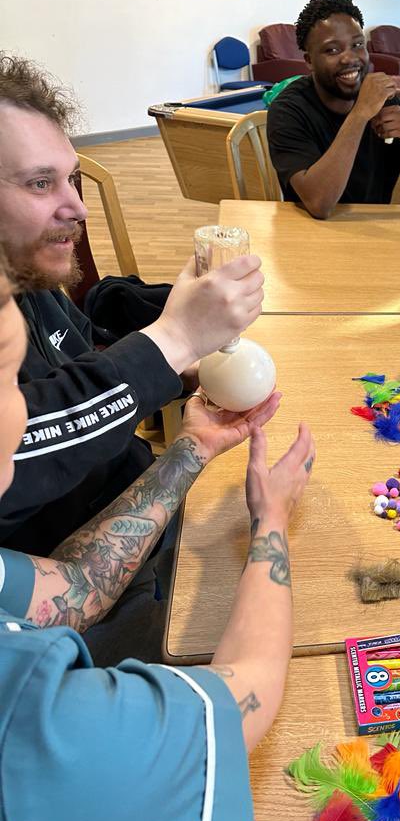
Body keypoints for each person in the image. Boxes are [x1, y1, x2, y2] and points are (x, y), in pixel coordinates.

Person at [0, 260, 316, 821]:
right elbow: (248, 684)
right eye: (14, 381)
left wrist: (191, 450)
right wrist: (272, 521)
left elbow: (80, 585)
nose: (36, 407)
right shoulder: (49, 737)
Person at [0, 54, 266, 661]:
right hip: (74, 616)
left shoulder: (27, 281)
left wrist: (182, 371)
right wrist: (171, 340)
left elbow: (79, 360)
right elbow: (24, 442)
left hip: (148, 508)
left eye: (71, 178)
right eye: (41, 183)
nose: (78, 207)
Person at [266, 0, 400, 219]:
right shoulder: (289, 110)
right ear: (309, 61)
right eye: (332, 50)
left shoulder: (385, 101)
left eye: (357, 45)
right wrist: (360, 113)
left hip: (373, 231)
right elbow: (319, 203)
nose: (349, 58)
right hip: (311, 236)